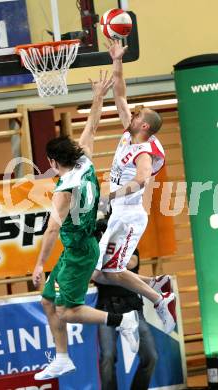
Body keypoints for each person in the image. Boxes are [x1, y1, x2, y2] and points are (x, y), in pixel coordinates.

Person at [32, 71, 140, 381]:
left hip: (80, 252)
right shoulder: (85, 162)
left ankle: (122, 320)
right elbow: (91, 126)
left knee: (67, 311)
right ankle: (62, 358)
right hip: (75, 249)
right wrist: (97, 96)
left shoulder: (64, 189)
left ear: (53, 162)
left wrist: (40, 263)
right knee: (48, 301)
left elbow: (52, 231)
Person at [92, 40, 176, 334]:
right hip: (118, 212)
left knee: (110, 271)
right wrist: (117, 60)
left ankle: (158, 298)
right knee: (97, 273)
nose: (131, 114)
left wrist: (109, 196)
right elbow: (120, 91)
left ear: (145, 127)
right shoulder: (131, 133)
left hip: (129, 215)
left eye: (138, 115)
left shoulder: (144, 151)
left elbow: (141, 180)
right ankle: (155, 286)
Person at [95, 218, 158, 390]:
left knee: (150, 356)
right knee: (107, 357)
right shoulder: (95, 244)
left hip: (132, 307)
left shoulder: (129, 241)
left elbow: (132, 263)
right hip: (106, 307)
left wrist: (109, 267)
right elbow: (94, 273)